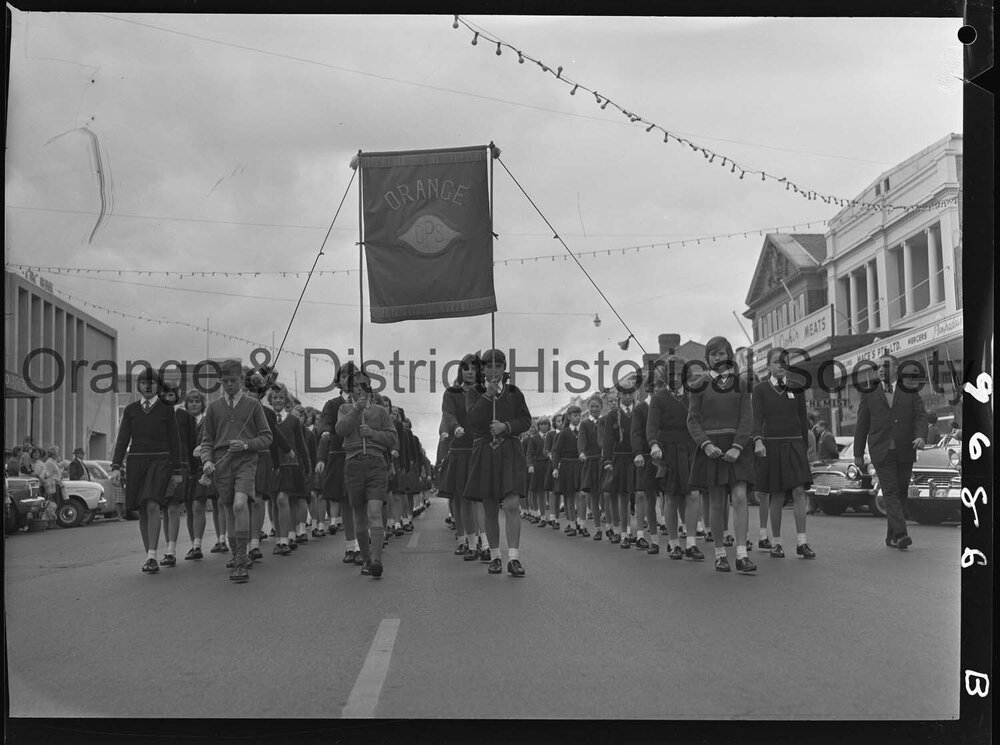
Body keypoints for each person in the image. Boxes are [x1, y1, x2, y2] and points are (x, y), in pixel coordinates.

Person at [687, 336, 757, 574]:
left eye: (722, 353)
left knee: (739, 497)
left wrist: (738, 446)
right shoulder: (698, 385)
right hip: (712, 448)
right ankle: (719, 554)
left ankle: (741, 554)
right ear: (707, 358)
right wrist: (706, 445)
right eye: (714, 354)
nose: (719, 358)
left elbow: (747, 418)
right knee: (717, 502)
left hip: (737, 447)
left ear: (729, 356)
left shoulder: (742, 383)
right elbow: (693, 420)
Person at [200, 359, 274, 582]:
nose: (229, 385)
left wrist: (246, 445)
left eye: (233, 380)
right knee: (229, 510)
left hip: (246, 462)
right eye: (225, 381)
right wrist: (206, 462)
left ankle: (241, 561)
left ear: (241, 380)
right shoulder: (213, 407)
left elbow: (267, 437)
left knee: (240, 504)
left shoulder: (253, 405)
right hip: (222, 465)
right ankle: (236, 555)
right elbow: (207, 441)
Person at [462, 349, 532, 577]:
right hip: (485, 451)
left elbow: (526, 420)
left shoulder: (514, 392)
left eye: (498, 366)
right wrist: (487, 397)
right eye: (489, 366)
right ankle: (494, 556)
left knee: (511, 505)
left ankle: (513, 558)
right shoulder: (474, 393)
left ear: (504, 369)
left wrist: (506, 427)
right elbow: (472, 419)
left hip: (510, 451)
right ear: (482, 369)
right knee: (490, 507)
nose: (493, 371)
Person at [110, 368, 184, 574]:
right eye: (144, 382)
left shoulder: (166, 409)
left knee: (153, 503)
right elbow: (123, 438)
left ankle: (153, 555)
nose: (148, 385)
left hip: (160, 460)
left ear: (158, 386)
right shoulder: (131, 410)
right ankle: (148, 555)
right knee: (142, 507)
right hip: (136, 461)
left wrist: (177, 469)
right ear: (139, 385)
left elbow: (174, 440)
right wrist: (116, 466)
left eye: (152, 382)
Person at [853, 354, 927, 550]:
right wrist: (858, 453)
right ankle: (902, 534)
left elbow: (920, 416)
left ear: (896, 369)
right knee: (890, 491)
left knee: (900, 493)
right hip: (881, 450)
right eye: (878, 367)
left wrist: (921, 436)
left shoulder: (910, 390)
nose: (881, 370)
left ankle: (891, 537)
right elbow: (862, 424)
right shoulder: (869, 393)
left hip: (905, 449)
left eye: (885, 366)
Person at [752, 348, 816, 560]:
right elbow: (757, 419)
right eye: (776, 362)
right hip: (772, 445)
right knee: (777, 495)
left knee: (799, 491)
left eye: (784, 362)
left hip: (795, 445)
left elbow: (802, 419)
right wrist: (758, 440)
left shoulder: (797, 388)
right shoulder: (760, 390)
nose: (780, 365)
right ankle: (777, 542)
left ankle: (802, 542)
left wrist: (804, 448)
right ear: (768, 365)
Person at [336, 367, 397, 578]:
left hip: (376, 464)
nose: (359, 390)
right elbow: (341, 430)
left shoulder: (380, 411)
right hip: (353, 464)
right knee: (359, 515)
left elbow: (392, 438)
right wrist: (355, 410)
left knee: (374, 512)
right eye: (355, 386)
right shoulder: (344, 409)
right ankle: (365, 559)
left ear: (369, 388)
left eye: (363, 386)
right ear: (350, 390)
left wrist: (372, 434)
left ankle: (377, 559)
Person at [648, 358, 705, 562]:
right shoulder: (659, 398)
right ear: (665, 376)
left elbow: (701, 420)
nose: (674, 377)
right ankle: (674, 545)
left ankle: (690, 543)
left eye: (678, 373)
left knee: (692, 495)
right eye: (670, 374)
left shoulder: (693, 395)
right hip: (668, 450)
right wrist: (654, 444)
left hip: (691, 447)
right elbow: (652, 426)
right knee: (671, 497)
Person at [316, 363, 359, 563]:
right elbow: (324, 421)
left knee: (361, 504)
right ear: (338, 380)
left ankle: (365, 543)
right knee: (347, 504)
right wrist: (324, 431)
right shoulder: (332, 404)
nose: (347, 379)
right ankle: (352, 546)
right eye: (343, 375)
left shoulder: (364, 400)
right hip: (339, 457)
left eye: (352, 375)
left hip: (360, 456)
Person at [157, 381, 197, 567]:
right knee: (164, 509)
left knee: (173, 507)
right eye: (165, 395)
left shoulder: (185, 416)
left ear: (177, 396)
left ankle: (171, 551)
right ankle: (167, 548)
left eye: (171, 395)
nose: (168, 398)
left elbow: (192, 443)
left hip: (180, 466)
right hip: (159, 466)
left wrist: (193, 468)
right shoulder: (155, 416)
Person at [604, 375, 642, 549]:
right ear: (619, 395)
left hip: (637, 457)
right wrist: (608, 460)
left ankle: (639, 533)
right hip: (619, 457)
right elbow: (608, 439)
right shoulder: (613, 415)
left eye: (630, 393)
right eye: (624, 394)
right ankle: (623, 532)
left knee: (640, 494)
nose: (627, 397)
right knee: (623, 496)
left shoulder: (640, 411)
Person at [551, 405, 582, 535]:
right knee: (569, 495)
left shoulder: (582, 431)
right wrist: (555, 467)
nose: (578, 417)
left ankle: (581, 523)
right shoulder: (563, 433)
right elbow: (556, 451)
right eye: (575, 415)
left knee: (580, 495)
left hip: (579, 465)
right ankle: (572, 524)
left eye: (579, 415)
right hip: (567, 466)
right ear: (568, 417)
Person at [577, 395, 603, 539]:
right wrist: (581, 452)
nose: (594, 409)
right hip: (591, 461)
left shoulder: (605, 421)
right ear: (588, 408)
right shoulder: (585, 424)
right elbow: (581, 440)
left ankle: (613, 528)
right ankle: (598, 529)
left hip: (605, 461)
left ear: (601, 407)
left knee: (607, 495)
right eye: (591, 406)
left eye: (596, 406)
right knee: (594, 497)